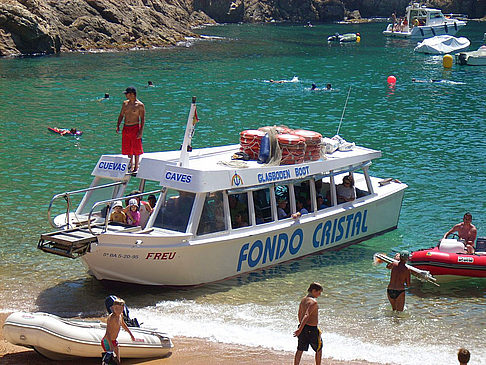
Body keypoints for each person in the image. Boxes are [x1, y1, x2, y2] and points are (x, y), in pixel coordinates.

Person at [293, 282, 323, 365]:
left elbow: (299, 313)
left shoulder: (303, 300)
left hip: (303, 327)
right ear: (314, 290)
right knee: (319, 348)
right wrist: (299, 329)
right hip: (312, 329)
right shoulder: (313, 302)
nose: (319, 295)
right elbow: (306, 315)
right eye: (319, 292)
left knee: (300, 349)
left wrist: (301, 327)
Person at [117, 86, 145, 173]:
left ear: (132, 94)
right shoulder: (125, 104)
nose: (126, 95)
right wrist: (118, 125)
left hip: (135, 127)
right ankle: (130, 165)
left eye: (127, 94)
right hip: (126, 127)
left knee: (136, 148)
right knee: (127, 147)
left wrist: (141, 131)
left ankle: (136, 166)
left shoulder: (140, 105)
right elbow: (121, 115)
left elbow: (142, 119)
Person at [102, 297, 136, 364]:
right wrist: (111, 346)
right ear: (112, 308)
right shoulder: (111, 318)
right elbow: (108, 333)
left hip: (114, 341)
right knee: (110, 361)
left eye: (120, 308)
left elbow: (123, 325)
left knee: (118, 360)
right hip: (107, 341)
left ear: (123, 308)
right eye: (116, 308)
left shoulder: (121, 315)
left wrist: (131, 334)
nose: (118, 310)